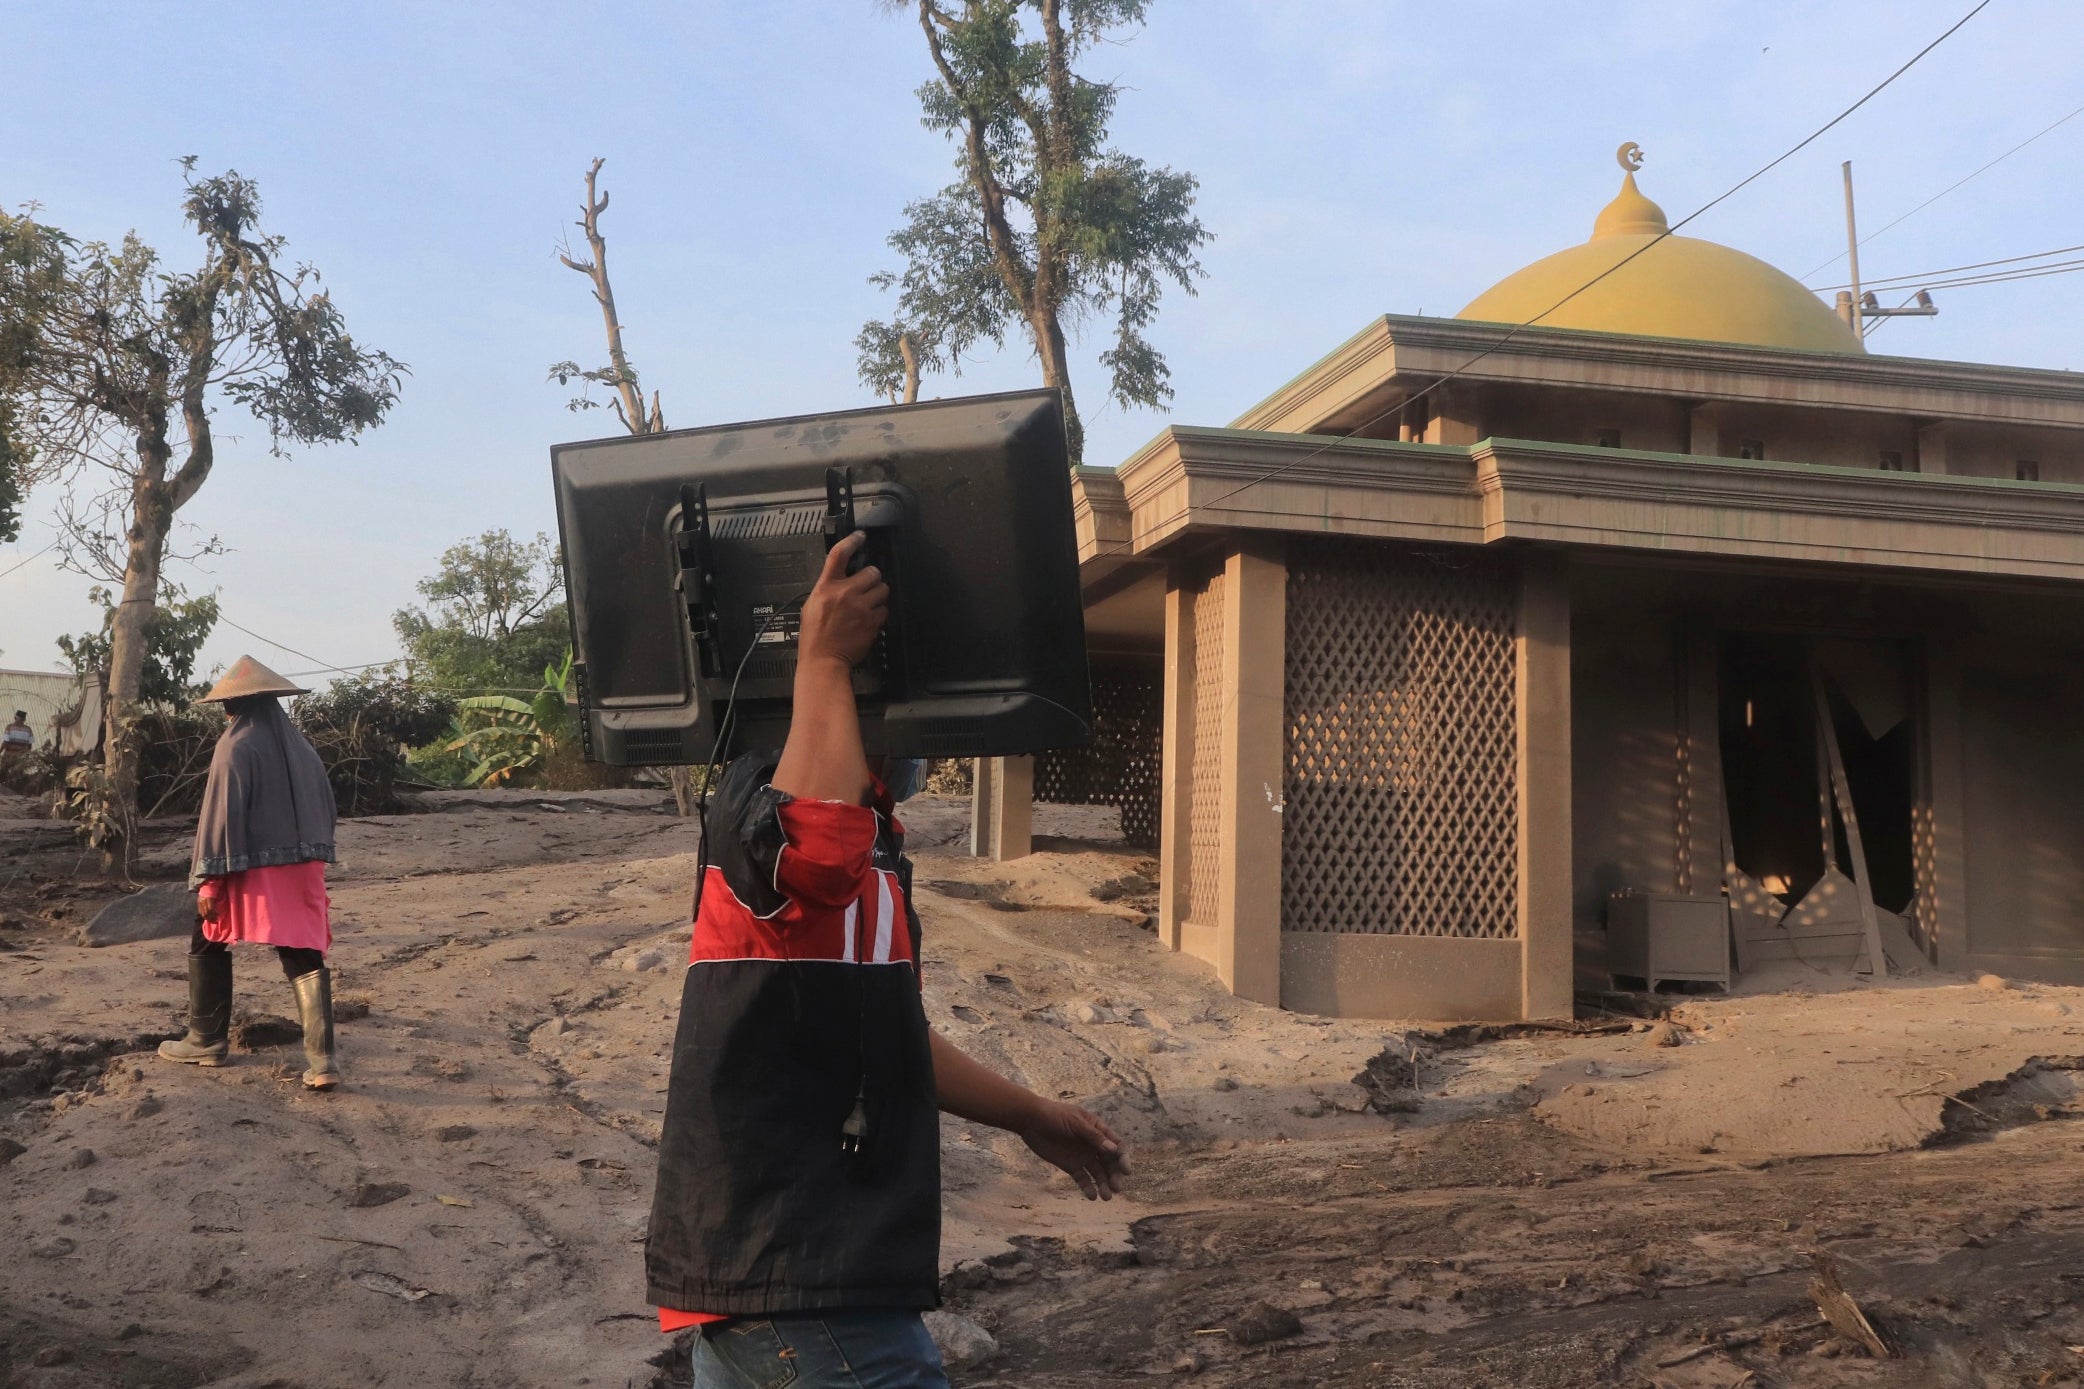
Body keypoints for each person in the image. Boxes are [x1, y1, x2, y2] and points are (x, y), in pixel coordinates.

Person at [648, 532, 1129, 1388]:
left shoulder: (869, 859)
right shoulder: (759, 813)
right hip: (808, 1299)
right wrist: (826, 659)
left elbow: (886, 1036)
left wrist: (1026, 1112)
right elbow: (819, 849)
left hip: (791, 1301)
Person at [158, 656, 343, 1090]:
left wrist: (210, 880)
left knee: (207, 935)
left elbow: (221, 817)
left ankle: (206, 1039)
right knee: (300, 949)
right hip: (304, 867)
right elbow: (328, 810)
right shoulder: (304, 749)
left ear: (233, 705)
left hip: (251, 865)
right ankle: (323, 1062)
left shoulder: (235, 745)